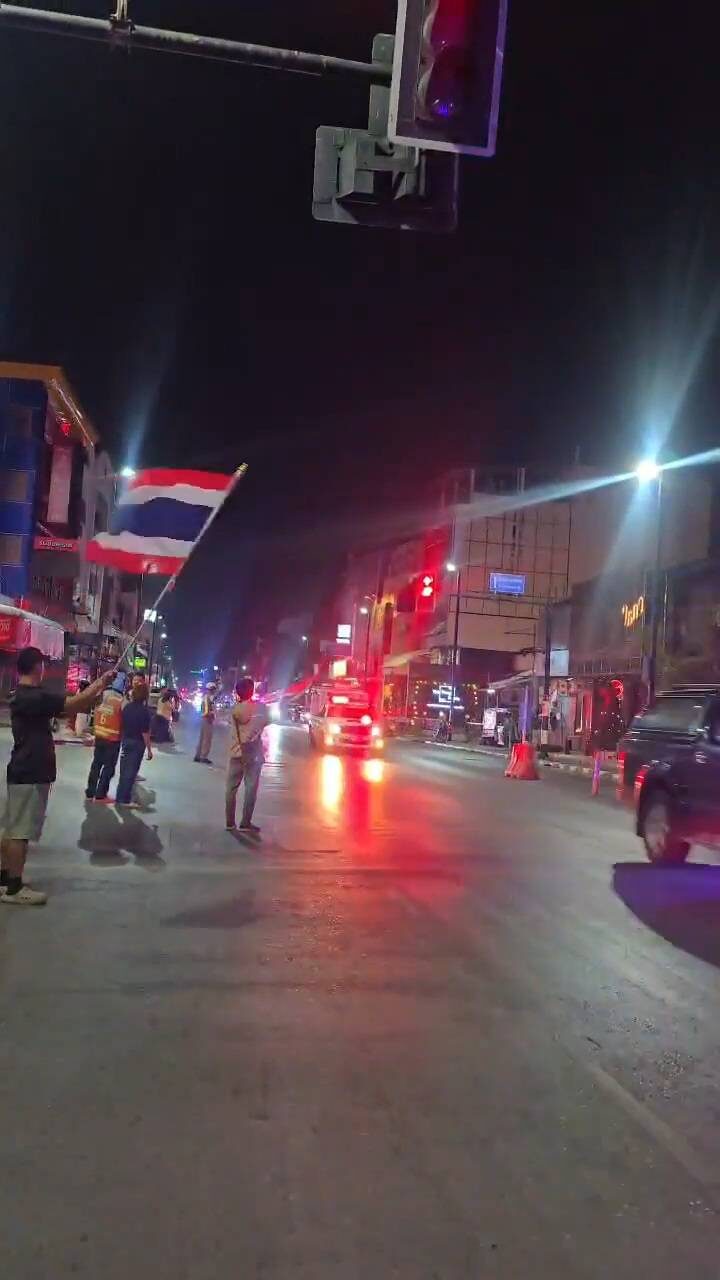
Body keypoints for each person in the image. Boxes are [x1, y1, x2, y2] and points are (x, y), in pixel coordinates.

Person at [1, 647, 114, 905]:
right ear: (37, 666)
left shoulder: (23, 695)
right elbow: (74, 704)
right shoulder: (33, 697)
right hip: (31, 771)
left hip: (22, 768)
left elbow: (73, 705)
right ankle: (14, 888)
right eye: (43, 664)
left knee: (13, 827)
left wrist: (96, 688)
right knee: (20, 832)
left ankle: (5, 880)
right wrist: (101, 682)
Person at [226, 678, 268, 834]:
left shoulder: (235, 710)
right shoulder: (260, 709)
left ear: (237, 693)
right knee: (251, 788)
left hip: (236, 752)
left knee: (231, 788)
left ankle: (230, 823)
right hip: (253, 754)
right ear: (252, 691)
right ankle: (245, 823)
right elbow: (266, 721)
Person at [85, 673, 127, 803]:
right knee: (108, 767)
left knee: (96, 764)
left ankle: (90, 792)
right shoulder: (121, 700)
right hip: (113, 739)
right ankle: (101, 795)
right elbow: (125, 719)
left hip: (99, 735)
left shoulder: (101, 696)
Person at [115, 681, 153, 806]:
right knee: (131, 772)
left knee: (124, 770)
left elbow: (121, 725)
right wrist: (149, 749)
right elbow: (145, 732)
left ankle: (120, 797)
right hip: (137, 743)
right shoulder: (144, 711)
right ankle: (125, 799)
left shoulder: (127, 708)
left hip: (126, 740)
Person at [194, 682, 217, 764]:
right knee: (207, 739)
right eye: (213, 689)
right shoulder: (208, 698)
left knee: (202, 738)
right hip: (207, 719)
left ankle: (198, 755)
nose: (214, 691)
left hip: (204, 719)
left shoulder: (206, 697)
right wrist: (212, 714)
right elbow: (207, 711)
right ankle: (203, 757)